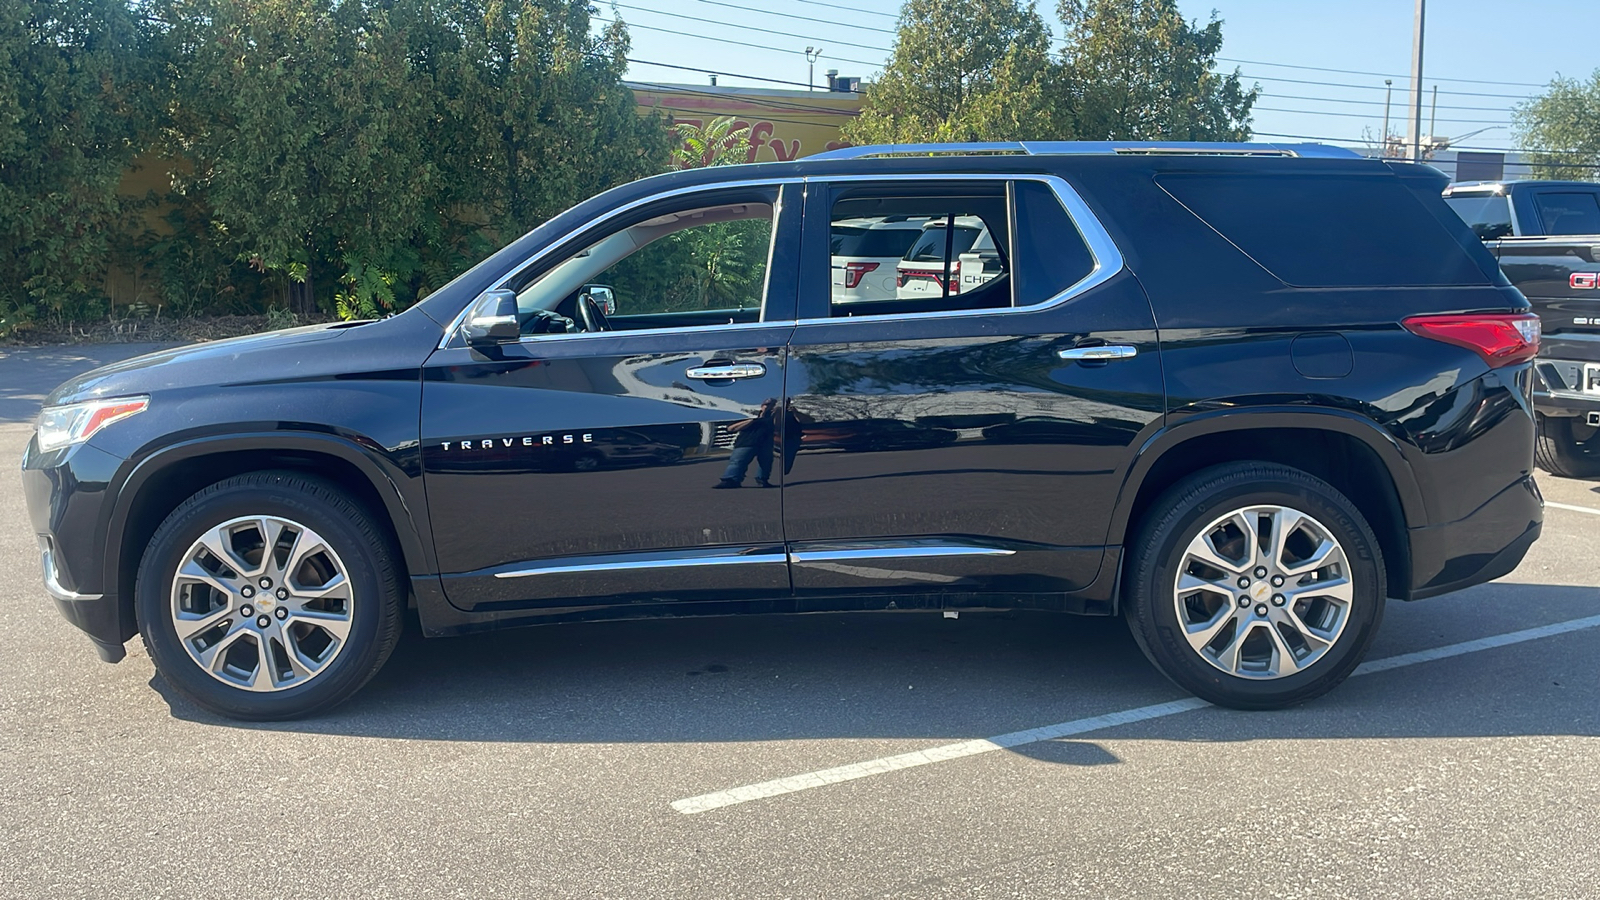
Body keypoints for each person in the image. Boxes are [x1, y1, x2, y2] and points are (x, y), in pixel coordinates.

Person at [715, 399, 777, 488]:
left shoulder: (774, 416)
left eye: (772, 404)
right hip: (746, 442)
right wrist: (753, 419)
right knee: (738, 461)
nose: (768, 406)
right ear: (761, 405)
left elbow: (778, 426)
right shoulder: (746, 415)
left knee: (766, 462)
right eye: (766, 404)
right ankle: (730, 480)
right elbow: (731, 428)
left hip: (766, 443)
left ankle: (762, 479)